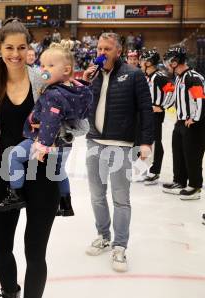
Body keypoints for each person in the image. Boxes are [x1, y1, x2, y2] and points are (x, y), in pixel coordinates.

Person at [0, 18, 60, 298]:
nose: (15, 53)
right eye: (9, 47)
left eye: (22, 47)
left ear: (30, 49)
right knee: (1, 246)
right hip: (4, 172)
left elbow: (79, 125)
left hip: (43, 172)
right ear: (0, 49)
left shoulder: (43, 79)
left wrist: (56, 133)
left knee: (34, 252)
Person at [82, 32, 153, 272]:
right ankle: (103, 235)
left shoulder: (133, 75)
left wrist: (146, 142)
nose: (101, 53)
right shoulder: (93, 75)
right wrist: (84, 81)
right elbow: (81, 105)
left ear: (118, 51)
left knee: (121, 199)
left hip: (121, 144)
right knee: (96, 195)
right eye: (99, 49)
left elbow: (146, 110)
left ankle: (120, 246)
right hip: (94, 141)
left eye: (107, 49)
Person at [0, 41, 92, 213]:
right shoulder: (77, 90)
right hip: (65, 143)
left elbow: (51, 121)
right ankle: (66, 203)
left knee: (15, 156)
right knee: (58, 171)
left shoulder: (53, 94)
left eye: (50, 66)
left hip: (45, 140)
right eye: (42, 65)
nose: (44, 69)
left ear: (66, 70)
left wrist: (41, 146)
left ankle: (15, 194)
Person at [162, 46, 205, 200]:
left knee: (192, 155)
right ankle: (179, 181)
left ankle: (195, 186)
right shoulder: (178, 77)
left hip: (193, 124)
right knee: (178, 153)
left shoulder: (193, 77)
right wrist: (163, 106)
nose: (167, 63)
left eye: (170, 60)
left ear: (177, 60)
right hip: (180, 122)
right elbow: (173, 96)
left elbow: (200, 99)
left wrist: (195, 118)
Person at [139, 49, 175, 185]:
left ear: (148, 62)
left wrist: (162, 106)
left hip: (155, 114)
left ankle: (155, 171)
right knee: (145, 140)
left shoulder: (159, 77)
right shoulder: (147, 76)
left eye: (143, 60)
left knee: (156, 141)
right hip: (146, 113)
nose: (140, 63)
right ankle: (144, 169)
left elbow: (173, 92)